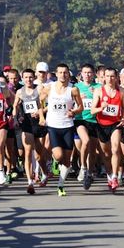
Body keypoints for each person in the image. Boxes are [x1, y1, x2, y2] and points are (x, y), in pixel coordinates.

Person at [41, 64, 83, 196]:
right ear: (56, 74)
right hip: (53, 126)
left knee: (67, 160)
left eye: (65, 73)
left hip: (68, 126)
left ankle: (60, 185)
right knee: (59, 155)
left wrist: (74, 112)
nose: (63, 75)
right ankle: (54, 162)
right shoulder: (49, 88)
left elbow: (80, 107)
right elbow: (38, 101)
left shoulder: (73, 90)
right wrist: (42, 116)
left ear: (68, 75)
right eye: (60, 72)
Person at [92, 67, 124, 192]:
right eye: (107, 76)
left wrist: (123, 118)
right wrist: (101, 108)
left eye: (112, 76)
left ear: (116, 77)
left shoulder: (121, 91)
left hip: (115, 124)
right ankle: (109, 175)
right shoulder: (99, 91)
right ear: (104, 77)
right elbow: (92, 110)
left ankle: (116, 176)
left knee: (115, 148)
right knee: (106, 154)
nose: (110, 79)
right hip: (101, 125)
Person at [13, 69, 46, 194]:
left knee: (38, 155)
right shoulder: (20, 92)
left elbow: (43, 105)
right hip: (26, 124)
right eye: (26, 77)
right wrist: (15, 118)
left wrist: (40, 114)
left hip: (38, 123)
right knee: (27, 153)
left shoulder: (40, 89)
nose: (28, 80)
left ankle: (44, 172)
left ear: (34, 77)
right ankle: (30, 181)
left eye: (31, 77)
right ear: (22, 78)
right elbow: (15, 107)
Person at [73, 64, 100, 190]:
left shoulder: (98, 87)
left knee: (93, 150)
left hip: (95, 121)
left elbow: (105, 101)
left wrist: (97, 95)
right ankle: (83, 167)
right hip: (81, 120)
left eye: (90, 72)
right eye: (85, 72)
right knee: (86, 141)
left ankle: (89, 171)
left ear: (94, 74)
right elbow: (69, 103)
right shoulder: (76, 87)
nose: (87, 75)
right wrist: (77, 99)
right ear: (81, 74)